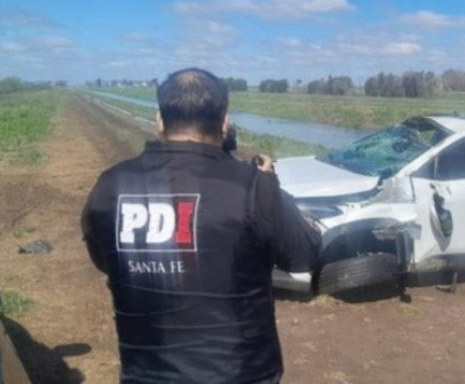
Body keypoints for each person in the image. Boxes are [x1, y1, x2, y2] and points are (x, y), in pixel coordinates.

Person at [81, 67, 320, 384]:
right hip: (239, 373)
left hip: (147, 372)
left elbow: (106, 261)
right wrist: (269, 183)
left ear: (160, 121)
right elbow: (304, 253)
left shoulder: (110, 185)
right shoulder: (252, 186)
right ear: (224, 122)